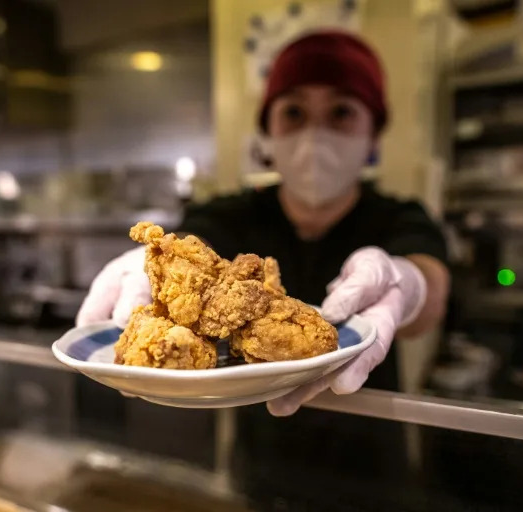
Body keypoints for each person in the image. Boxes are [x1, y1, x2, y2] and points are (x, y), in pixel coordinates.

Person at [77, 31, 449, 510]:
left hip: (373, 465)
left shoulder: (399, 216)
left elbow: (431, 286)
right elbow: (200, 244)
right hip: (261, 466)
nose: (315, 133)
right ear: (267, 133)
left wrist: (408, 285)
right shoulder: (235, 215)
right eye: (293, 112)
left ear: (373, 133)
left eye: (341, 112)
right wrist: (164, 264)